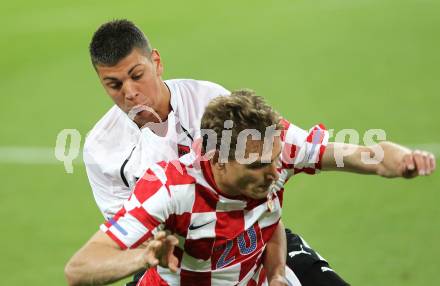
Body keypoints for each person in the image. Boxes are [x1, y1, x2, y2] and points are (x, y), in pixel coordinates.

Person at [77, 20, 435, 286]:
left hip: (248, 231)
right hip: (178, 255)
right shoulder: (107, 153)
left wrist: (398, 160)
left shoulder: (208, 100)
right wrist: (150, 252)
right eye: (114, 84)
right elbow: (122, 234)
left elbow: (344, 153)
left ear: (156, 62)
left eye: (136, 75)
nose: (130, 92)